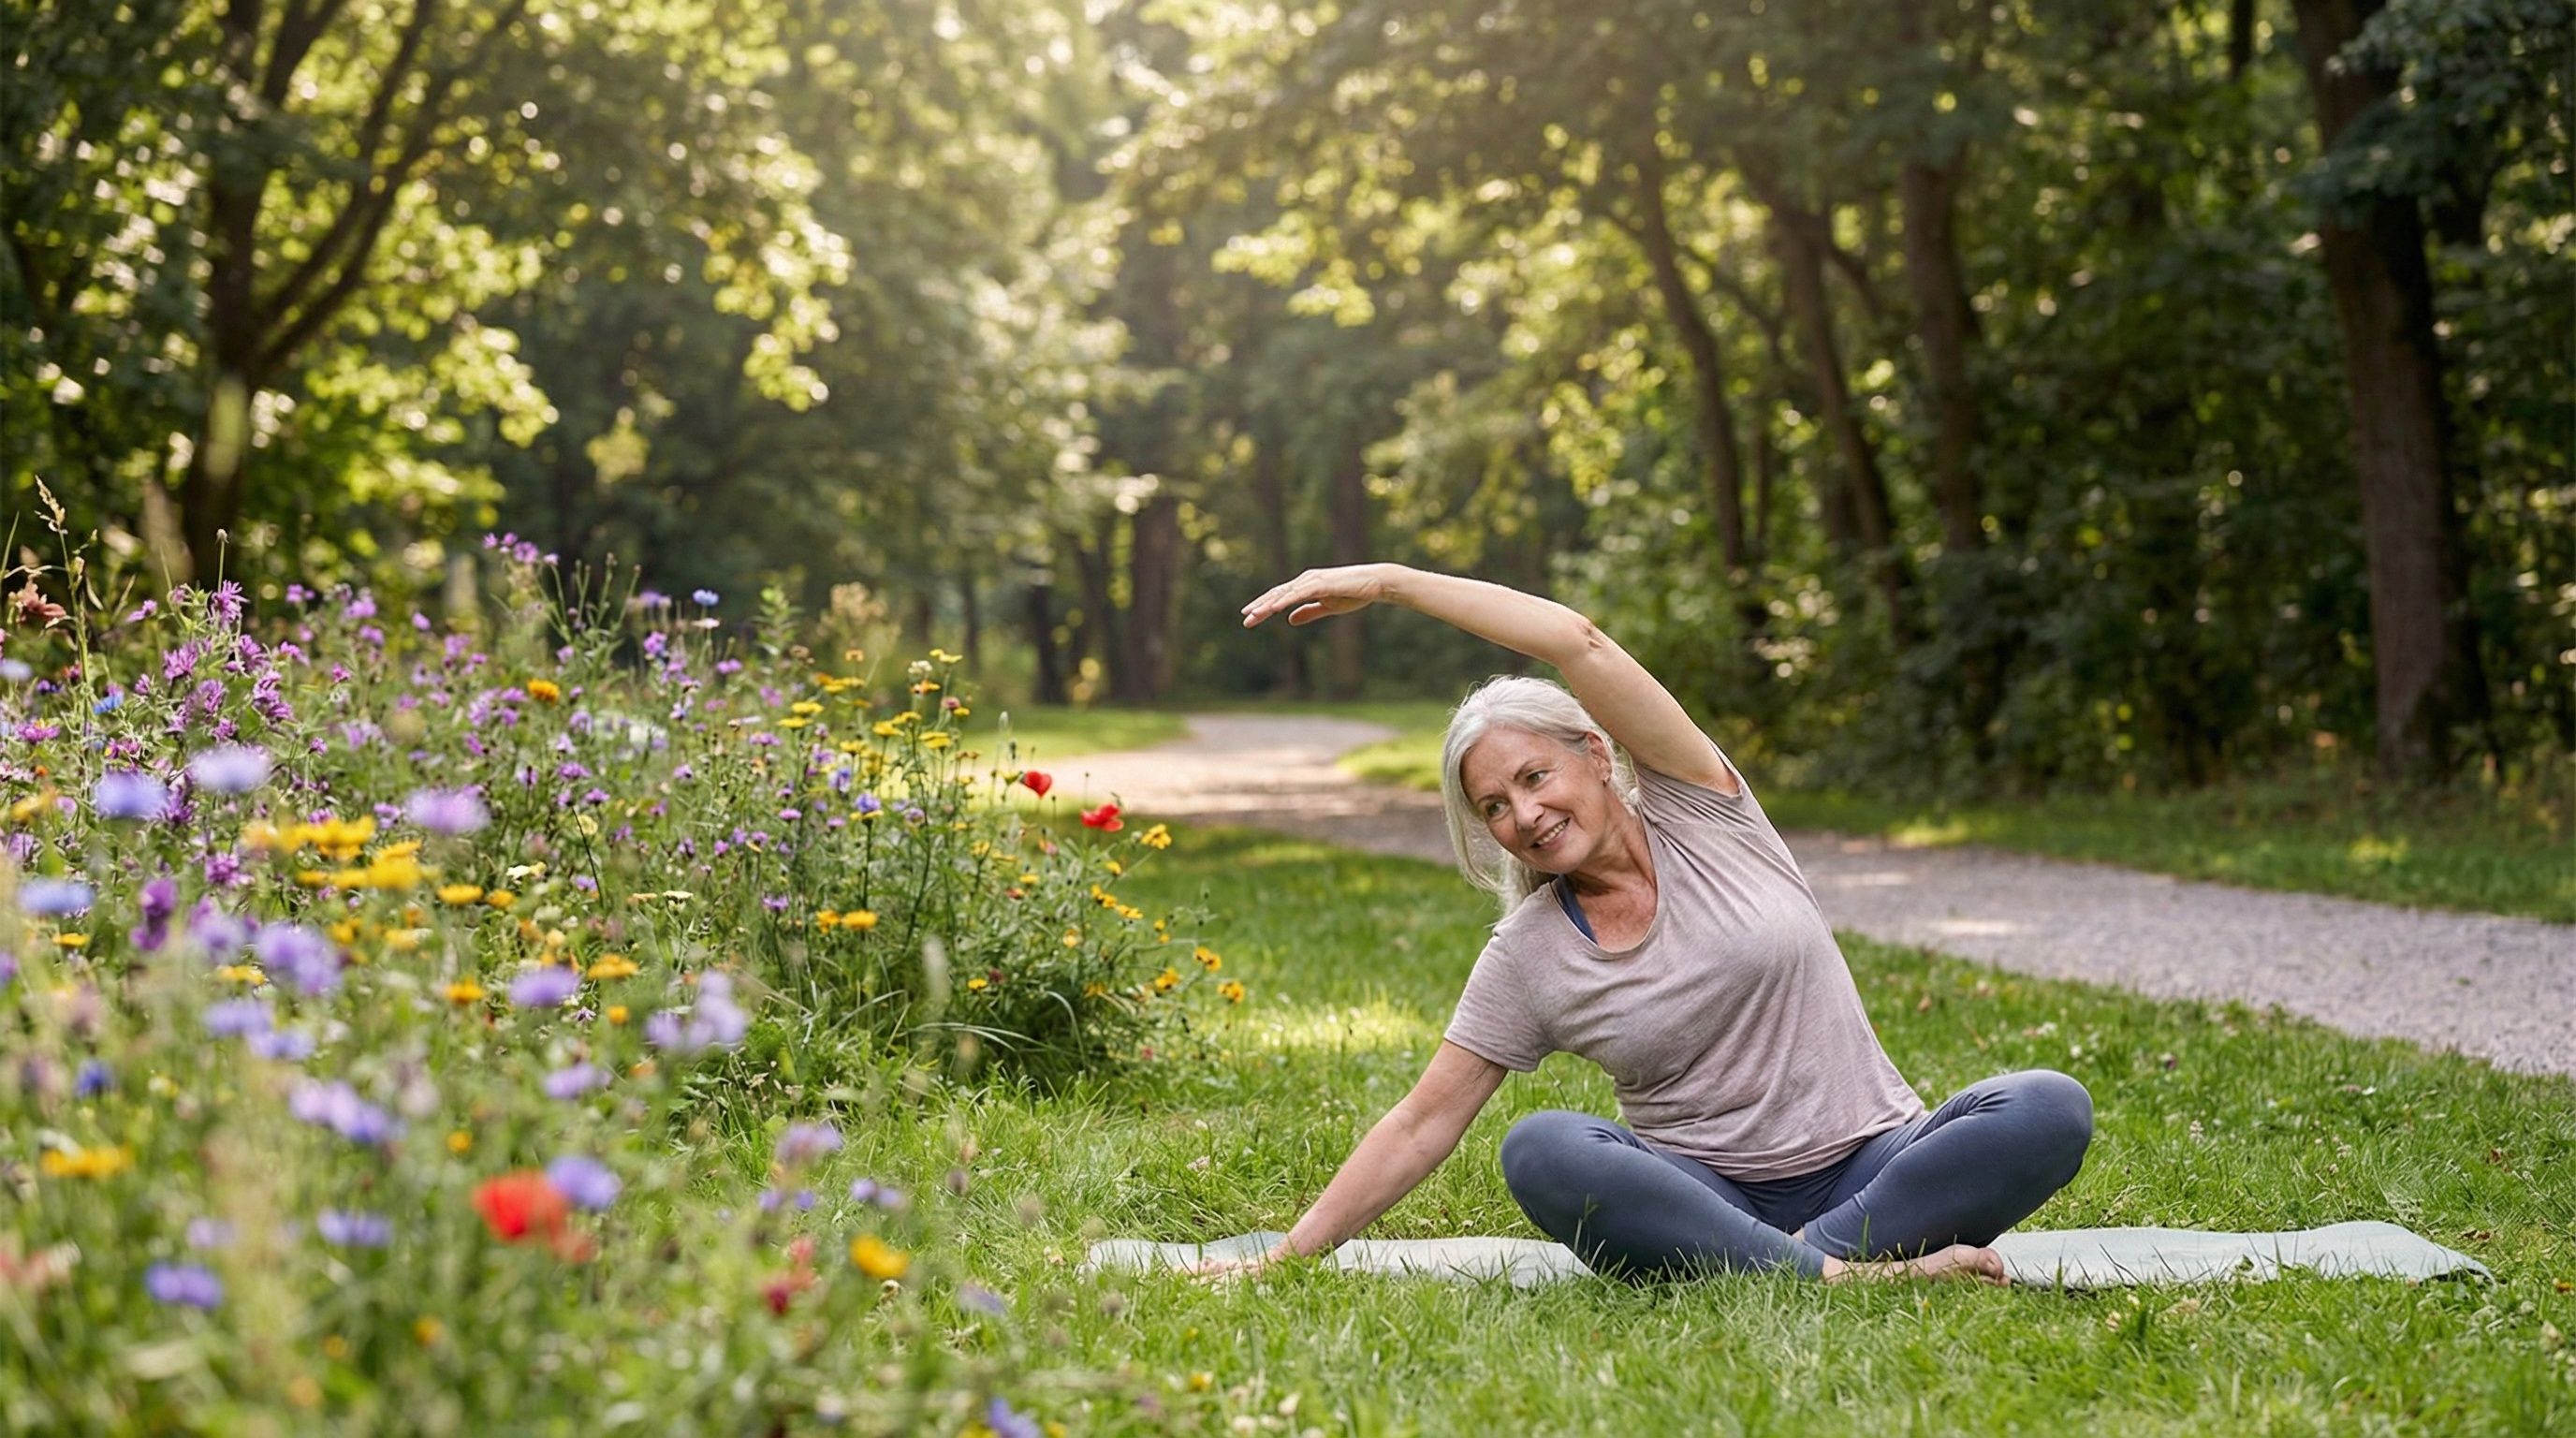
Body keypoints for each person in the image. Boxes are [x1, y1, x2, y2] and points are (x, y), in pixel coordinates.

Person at [1214, 564, 2092, 1284]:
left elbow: (1575, 640)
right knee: (1543, 1147)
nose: (1523, 814)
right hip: (1700, 1200)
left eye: (1533, 777)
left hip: (1877, 1168)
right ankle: (1846, 1276)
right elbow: (1421, 1124)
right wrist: (1287, 1256)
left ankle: (1791, 1270)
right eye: (1493, 806)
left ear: (1596, 756)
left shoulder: (1706, 809)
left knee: (2047, 1106)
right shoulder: (1530, 955)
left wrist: (1394, 583)